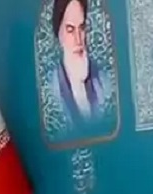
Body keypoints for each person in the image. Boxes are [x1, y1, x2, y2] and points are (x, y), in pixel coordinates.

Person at [47, 0, 109, 130]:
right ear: (59, 35)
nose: (78, 39)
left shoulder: (102, 81)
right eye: (70, 30)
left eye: (81, 28)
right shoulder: (50, 90)